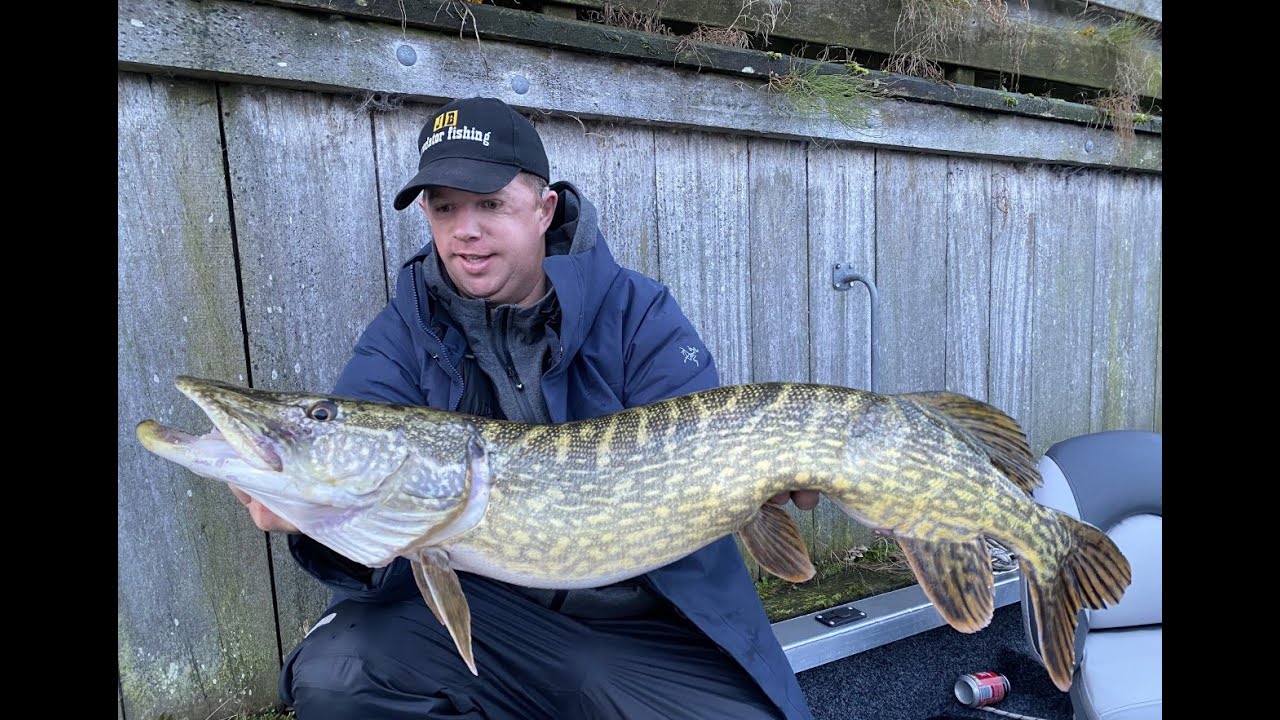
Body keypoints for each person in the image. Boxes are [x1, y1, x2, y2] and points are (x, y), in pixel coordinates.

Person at [229, 96, 819, 720]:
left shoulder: (638, 314)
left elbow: (705, 459)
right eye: (445, 207)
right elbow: (368, 493)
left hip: (647, 625)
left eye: (489, 204)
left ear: (543, 210)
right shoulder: (401, 336)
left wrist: (763, 483)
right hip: (493, 625)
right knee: (341, 672)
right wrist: (314, 515)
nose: (465, 230)